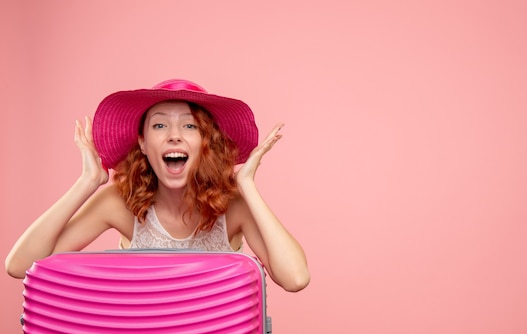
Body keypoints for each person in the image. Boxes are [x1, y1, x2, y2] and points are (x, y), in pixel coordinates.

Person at [4, 79, 310, 292]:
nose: (174, 135)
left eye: (190, 125)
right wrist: (87, 183)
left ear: (206, 142)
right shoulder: (119, 203)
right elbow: (20, 265)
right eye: (160, 125)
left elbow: (295, 278)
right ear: (143, 143)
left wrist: (247, 185)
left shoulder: (233, 207)